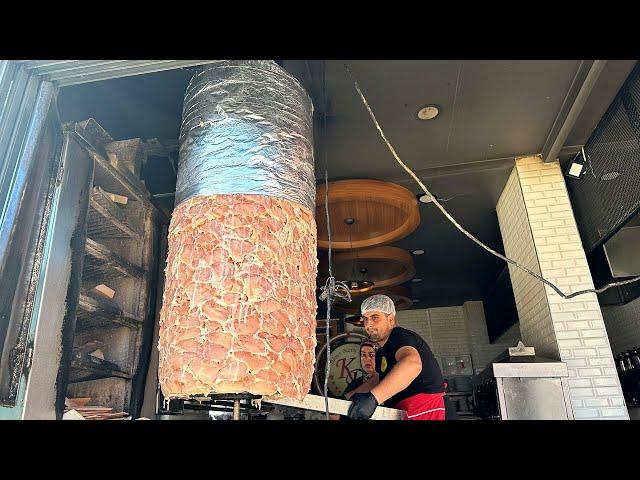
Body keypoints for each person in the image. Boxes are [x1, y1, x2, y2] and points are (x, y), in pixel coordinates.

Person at [346, 294, 448, 420]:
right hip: (403, 410)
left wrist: (373, 399)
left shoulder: (399, 335)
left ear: (391, 320)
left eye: (374, 317)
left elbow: (412, 364)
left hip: (425, 407)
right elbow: (375, 381)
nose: (368, 325)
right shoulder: (382, 351)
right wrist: (346, 399)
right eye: (365, 319)